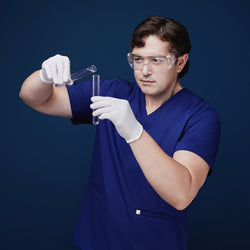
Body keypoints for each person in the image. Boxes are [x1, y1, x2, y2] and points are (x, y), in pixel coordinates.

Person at [19, 16, 220, 250]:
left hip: (155, 241)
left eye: (156, 60)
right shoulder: (113, 93)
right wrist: (43, 76)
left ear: (180, 62)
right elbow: (33, 98)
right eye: (137, 59)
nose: (144, 71)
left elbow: (181, 194)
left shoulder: (200, 116)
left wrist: (135, 132)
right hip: (98, 237)